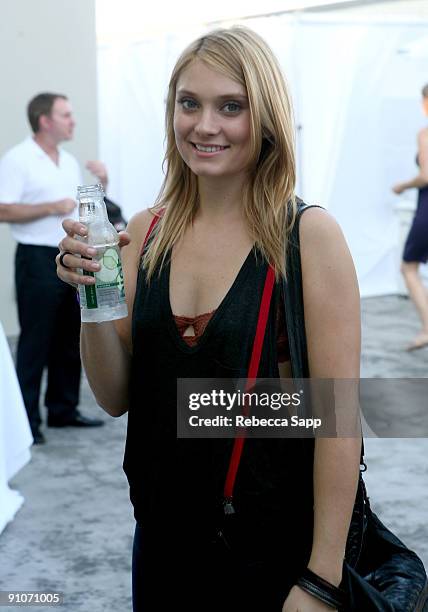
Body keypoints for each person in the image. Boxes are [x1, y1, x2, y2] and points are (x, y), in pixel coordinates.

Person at [56, 29, 362, 611]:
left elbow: (337, 421)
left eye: (231, 106)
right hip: (162, 541)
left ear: (266, 116)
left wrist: (322, 580)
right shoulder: (143, 233)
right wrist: (93, 299)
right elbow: (115, 396)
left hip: (274, 550)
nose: (204, 126)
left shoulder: (307, 237)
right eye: (188, 103)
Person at [0, 92, 104, 445]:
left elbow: (78, 211)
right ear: (45, 120)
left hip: (67, 255)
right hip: (34, 259)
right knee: (35, 342)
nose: (72, 120)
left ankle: (63, 410)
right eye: (66, 114)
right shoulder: (18, 159)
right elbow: (3, 209)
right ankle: (27, 424)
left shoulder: (69, 161)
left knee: (69, 338)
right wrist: (49, 207)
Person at [392, 84, 428, 351]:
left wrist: (402, 185)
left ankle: (427, 328)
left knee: (409, 267)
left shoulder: (425, 134)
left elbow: (426, 175)